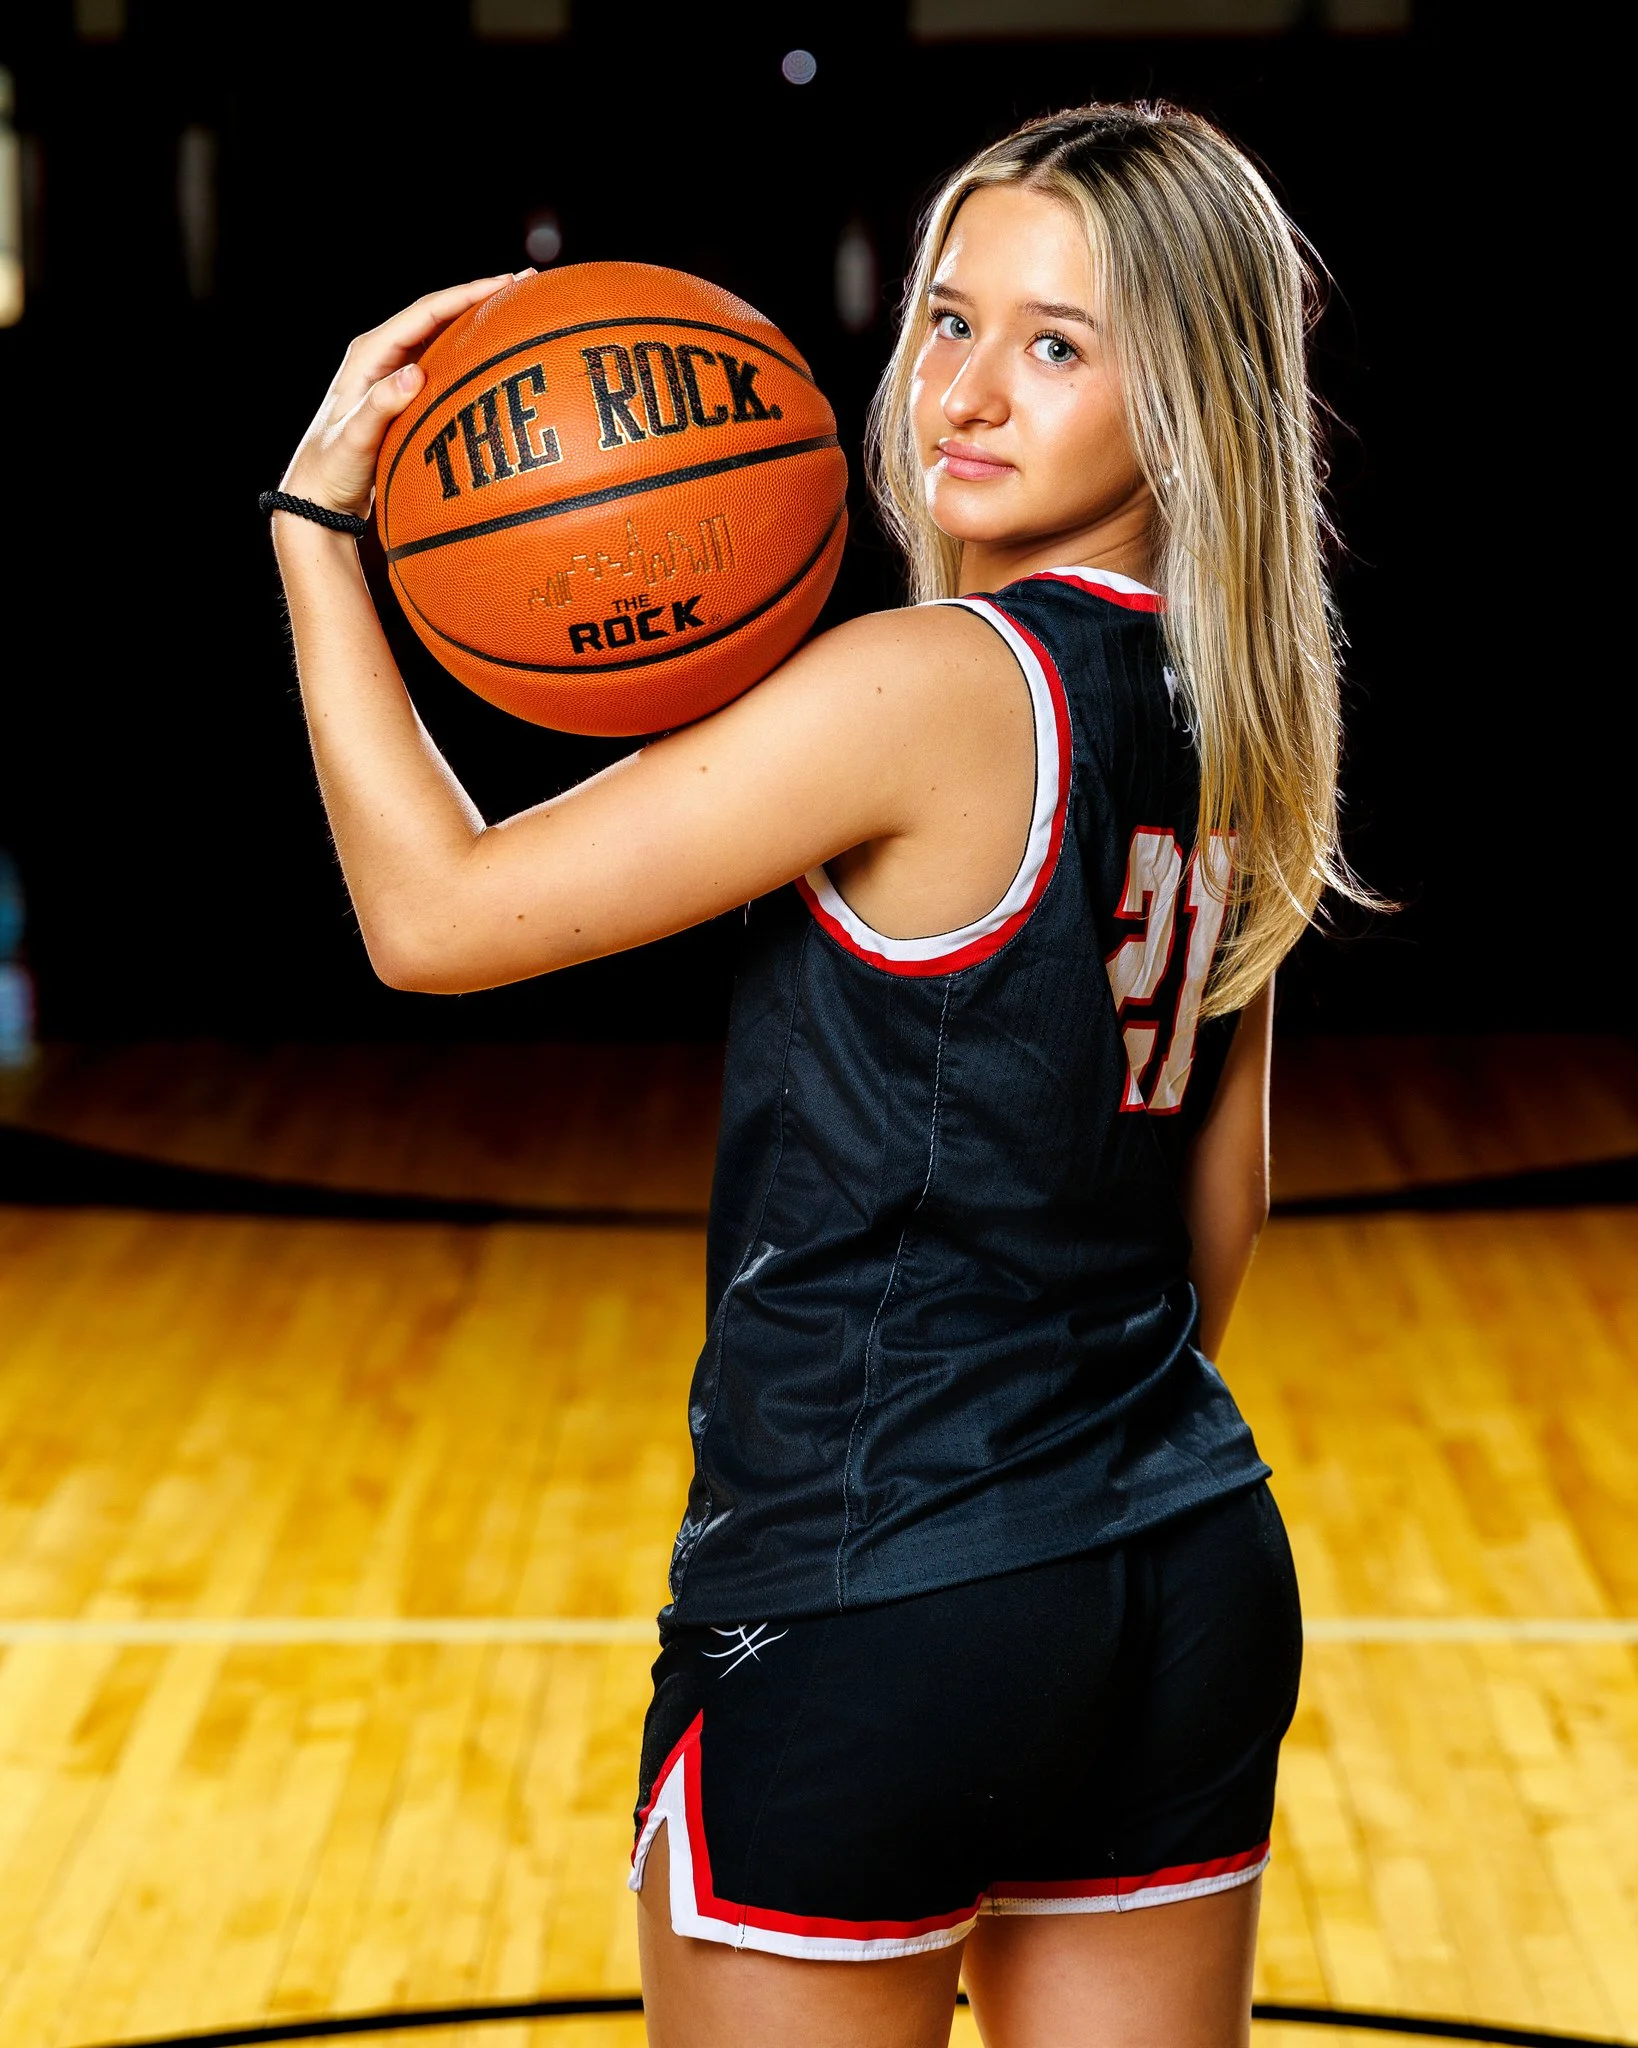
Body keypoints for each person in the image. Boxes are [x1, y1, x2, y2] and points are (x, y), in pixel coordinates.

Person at [268, 100, 1356, 2048]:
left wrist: (317, 543)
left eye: (1057, 344)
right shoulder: (1248, 703)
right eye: (950, 318)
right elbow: (1229, 1194)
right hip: (1176, 1568)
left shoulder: (921, 688)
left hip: (876, 1595)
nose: (969, 390)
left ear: (1185, 395)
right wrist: (1066, 1452)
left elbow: (433, 919)